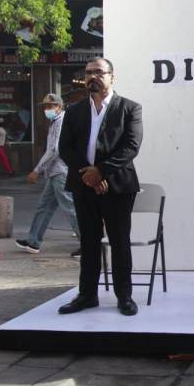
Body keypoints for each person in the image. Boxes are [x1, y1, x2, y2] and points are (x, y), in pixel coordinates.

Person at [57, 57, 143, 316]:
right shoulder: (73, 111)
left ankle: (124, 297)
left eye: (98, 72)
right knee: (90, 242)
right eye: (88, 73)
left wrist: (102, 171)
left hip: (117, 187)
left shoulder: (129, 108)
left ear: (112, 77)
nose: (92, 77)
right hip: (84, 186)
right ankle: (87, 295)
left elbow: (131, 146)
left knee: (119, 242)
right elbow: (65, 148)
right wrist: (89, 174)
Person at [15, 94, 81, 257]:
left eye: (50, 106)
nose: (47, 110)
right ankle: (33, 241)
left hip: (61, 172)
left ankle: (89, 243)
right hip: (55, 172)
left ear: (59, 107)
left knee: (70, 208)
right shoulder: (55, 122)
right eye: (45, 107)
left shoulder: (61, 122)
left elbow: (54, 150)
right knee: (44, 207)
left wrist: (37, 170)